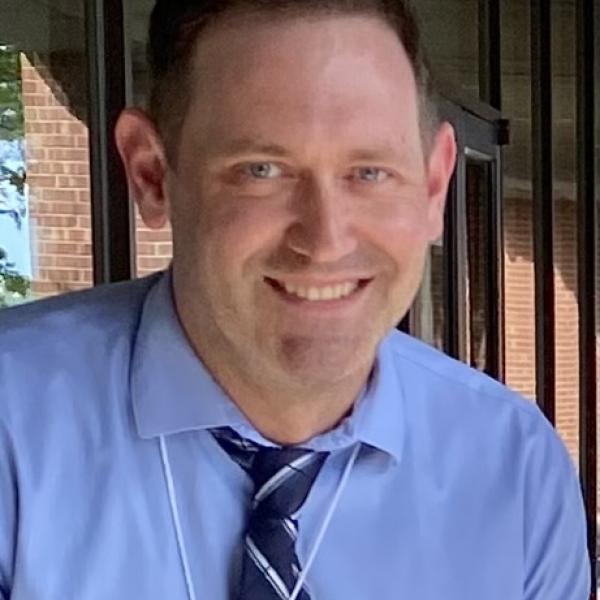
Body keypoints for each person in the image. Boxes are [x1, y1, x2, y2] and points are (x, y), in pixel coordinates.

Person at [0, 1, 590, 598]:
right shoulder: (13, 432)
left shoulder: (514, 470)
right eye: (263, 169)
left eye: (370, 172)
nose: (326, 240)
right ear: (152, 175)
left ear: (434, 186)